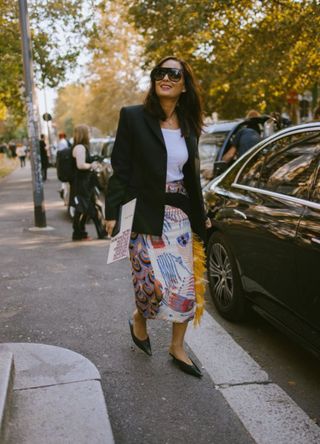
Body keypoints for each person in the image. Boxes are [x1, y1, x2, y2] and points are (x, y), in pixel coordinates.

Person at [104, 56, 207, 378]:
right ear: (153, 80)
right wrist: (111, 213)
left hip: (179, 214)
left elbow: (191, 177)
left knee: (183, 285)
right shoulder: (133, 117)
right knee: (149, 284)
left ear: (184, 84)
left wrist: (202, 217)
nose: (165, 78)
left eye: (173, 74)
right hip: (144, 212)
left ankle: (177, 346)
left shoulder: (189, 124)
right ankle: (140, 317)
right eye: (159, 73)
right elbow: (120, 169)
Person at [72, 124, 107, 241]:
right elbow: (80, 165)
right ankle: (78, 233)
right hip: (83, 183)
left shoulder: (81, 147)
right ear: (83, 134)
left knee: (90, 207)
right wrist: (91, 165)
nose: (90, 134)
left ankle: (90, 232)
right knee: (83, 208)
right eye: (88, 132)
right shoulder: (80, 147)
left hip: (86, 182)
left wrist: (94, 162)